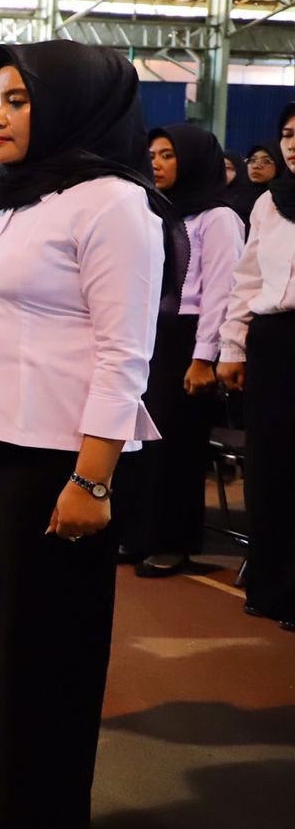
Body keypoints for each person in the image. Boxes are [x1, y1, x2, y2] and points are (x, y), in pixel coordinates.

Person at [0, 39, 177, 829]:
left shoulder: (113, 205)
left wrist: (93, 477)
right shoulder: (2, 199)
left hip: (53, 464)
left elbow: (124, 353)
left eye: (18, 100)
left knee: (42, 653)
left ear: (68, 105)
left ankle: (33, 809)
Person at [115, 125, 245, 577]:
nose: (156, 163)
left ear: (191, 160)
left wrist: (204, 356)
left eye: (168, 155)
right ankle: (137, 533)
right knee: (138, 441)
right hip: (149, 333)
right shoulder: (156, 211)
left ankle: (172, 542)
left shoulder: (219, 217)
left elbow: (223, 291)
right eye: (152, 154)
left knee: (176, 446)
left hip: (188, 339)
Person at [218, 104, 295, 634]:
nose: (292, 144)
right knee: (269, 467)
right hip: (271, 343)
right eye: (287, 134)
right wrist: (232, 347)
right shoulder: (270, 202)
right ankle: (270, 585)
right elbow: (246, 280)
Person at [223, 150, 262, 224]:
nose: (221, 172)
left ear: (240, 169)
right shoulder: (208, 197)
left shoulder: (252, 199)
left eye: (227, 168)